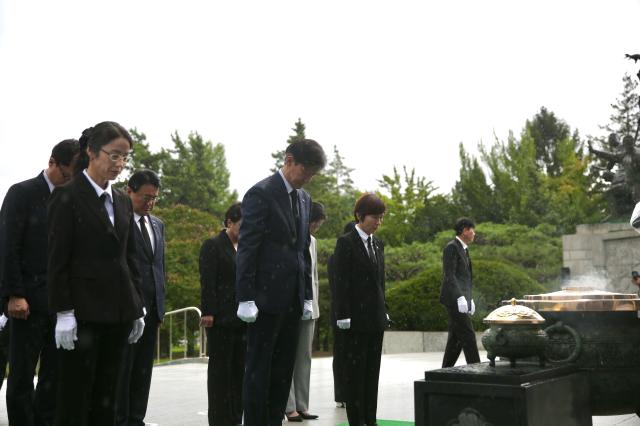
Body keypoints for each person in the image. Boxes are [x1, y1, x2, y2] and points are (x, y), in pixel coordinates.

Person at [48, 122, 146, 426]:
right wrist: (63, 312)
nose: (119, 164)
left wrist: (137, 305)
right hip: (83, 314)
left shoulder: (121, 202)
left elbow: (130, 258)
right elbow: (57, 261)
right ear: (91, 151)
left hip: (117, 313)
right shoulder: (67, 196)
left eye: (125, 157)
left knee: (109, 398)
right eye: (113, 155)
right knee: (76, 399)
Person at [236, 138, 326, 426]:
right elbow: (248, 247)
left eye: (313, 174)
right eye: (305, 171)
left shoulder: (304, 199)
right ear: (289, 161)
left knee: (283, 370)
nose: (308, 178)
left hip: (292, 300)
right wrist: (245, 296)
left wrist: (308, 296)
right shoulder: (261, 194)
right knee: (259, 370)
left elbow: (302, 249)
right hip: (263, 300)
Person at [0, 139, 79, 425]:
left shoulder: (72, 198)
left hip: (61, 304)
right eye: (65, 175)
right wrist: (14, 294)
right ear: (52, 163)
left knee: (54, 375)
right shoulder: (22, 193)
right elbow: (8, 247)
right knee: (21, 374)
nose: (68, 181)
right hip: (28, 301)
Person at [334, 193, 389, 426]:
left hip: (375, 319)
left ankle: (370, 418)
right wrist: (343, 314)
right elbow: (340, 282)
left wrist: (384, 309)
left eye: (381, 217)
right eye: (374, 217)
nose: (378, 222)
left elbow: (380, 282)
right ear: (360, 216)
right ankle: (357, 420)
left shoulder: (377, 244)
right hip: (355, 319)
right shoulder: (346, 242)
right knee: (356, 374)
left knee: (371, 373)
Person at [117, 170, 166, 426]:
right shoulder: (119, 222)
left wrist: (160, 303)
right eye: (145, 197)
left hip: (153, 310)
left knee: (144, 371)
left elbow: (159, 266)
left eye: (154, 198)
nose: (149, 202)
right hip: (128, 310)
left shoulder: (158, 224)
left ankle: (137, 418)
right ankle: (121, 419)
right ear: (129, 191)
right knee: (123, 370)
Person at [199, 202, 245, 426]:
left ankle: (236, 415)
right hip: (220, 318)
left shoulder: (247, 247)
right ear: (229, 222)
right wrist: (208, 311)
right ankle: (219, 418)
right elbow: (208, 281)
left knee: (239, 369)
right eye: (242, 225)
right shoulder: (213, 245)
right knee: (220, 371)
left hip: (243, 318)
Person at [286, 202, 326, 422]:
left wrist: (315, 305)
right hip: (292, 306)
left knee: (305, 357)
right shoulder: (292, 238)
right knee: (289, 357)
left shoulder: (313, 241)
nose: (315, 227)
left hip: (310, 309)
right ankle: (289, 406)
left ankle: (302, 404)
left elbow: (314, 277)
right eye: (315, 223)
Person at [440, 217, 480, 368]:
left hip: (461, 299)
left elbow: (465, 278)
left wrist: (470, 299)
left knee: (456, 339)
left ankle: (444, 371)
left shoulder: (463, 249)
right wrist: (460, 297)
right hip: (453, 299)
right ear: (464, 230)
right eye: (471, 230)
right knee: (468, 335)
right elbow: (449, 275)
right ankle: (477, 370)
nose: (474, 233)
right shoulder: (451, 247)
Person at [329, 221, 356, 409]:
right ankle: (341, 393)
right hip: (342, 311)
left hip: (356, 311)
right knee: (341, 353)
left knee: (351, 354)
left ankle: (351, 392)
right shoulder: (337, 257)